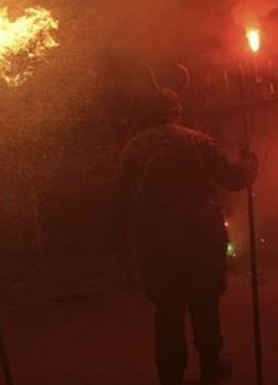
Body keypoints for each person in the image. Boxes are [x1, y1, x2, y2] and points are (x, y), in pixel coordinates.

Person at [111, 65, 258, 385]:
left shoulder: (133, 149)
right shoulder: (197, 141)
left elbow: (119, 200)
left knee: (167, 310)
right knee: (205, 304)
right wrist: (249, 164)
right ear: (176, 112)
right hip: (199, 239)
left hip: (158, 243)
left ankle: (170, 373)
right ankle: (210, 363)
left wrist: (119, 242)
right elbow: (233, 178)